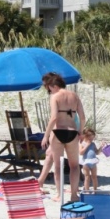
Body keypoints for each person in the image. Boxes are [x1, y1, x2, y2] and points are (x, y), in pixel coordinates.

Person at [41, 72, 86, 202]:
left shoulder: (55, 97)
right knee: (74, 166)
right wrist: (80, 132)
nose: (48, 90)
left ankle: (60, 195)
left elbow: (54, 117)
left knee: (58, 166)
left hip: (58, 132)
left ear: (53, 85)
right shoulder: (74, 96)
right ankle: (74, 195)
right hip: (72, 132)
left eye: (48, 87)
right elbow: (82, 117)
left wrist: (46, 135)